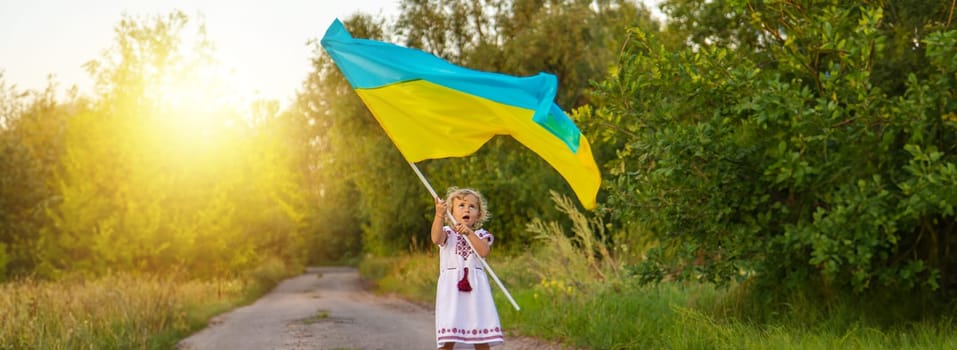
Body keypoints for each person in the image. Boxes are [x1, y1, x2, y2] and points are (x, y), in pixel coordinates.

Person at [431, 187, 504, 349]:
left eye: (472, 206)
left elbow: (483, 251)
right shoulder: (447, 233)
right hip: (451, 290)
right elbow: (436, 238)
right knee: (448, 334)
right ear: (451, 211)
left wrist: (470, 233)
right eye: (462, 205)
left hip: (476, 290)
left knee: (480, 334)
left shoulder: (481, 234)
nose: (467, 209)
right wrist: (439, 215)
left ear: (478, 214)